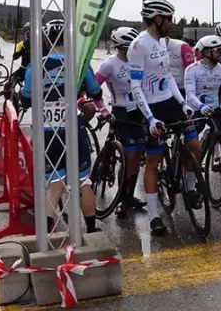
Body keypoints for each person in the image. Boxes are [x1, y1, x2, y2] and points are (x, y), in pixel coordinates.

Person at [22, 19, 101, 235]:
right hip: (72, 128)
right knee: (82, 180)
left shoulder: (35, 66)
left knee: (54, 185)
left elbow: (26, 100)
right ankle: (92, 232)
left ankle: (46, 237)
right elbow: (96, 92)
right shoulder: (79, 62)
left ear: (47, 41)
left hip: (47, 131)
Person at [128, 0, 200, 236]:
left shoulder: (162, 43)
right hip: (151, 106)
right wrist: (150, 119)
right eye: (169, 19)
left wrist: (183, 103)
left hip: (169, 101)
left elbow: (168, 77)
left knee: (193, 142)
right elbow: (136, 87)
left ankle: (190, 187)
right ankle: (154, 216)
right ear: (158, 19)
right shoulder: (139, 46)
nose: (172, 23)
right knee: (153, 162)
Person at [94, 27, 147, 218]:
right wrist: (102, 110)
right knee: (129, 156)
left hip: (139, 112)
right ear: (118, 47)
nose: (129, 51)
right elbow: (93, 87)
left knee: (137, 156)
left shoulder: (139, 61)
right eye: (125, 48)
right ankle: (121, 199)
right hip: (121, 112)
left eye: (132, 47)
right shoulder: (110, 64)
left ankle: (129, 196)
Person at [184, 35, 221, 157]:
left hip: (213, 108)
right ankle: (190, 173)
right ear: (206, 52)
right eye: (218, 50)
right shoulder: (191, 70)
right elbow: (190, 94)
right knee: (190, 147)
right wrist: (201, 106)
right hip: (195, 109)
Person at [162, 34, 194, 98]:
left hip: (182, 89)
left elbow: (191, 70)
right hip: (164, 89)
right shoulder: (154, 47)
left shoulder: (182, 46)